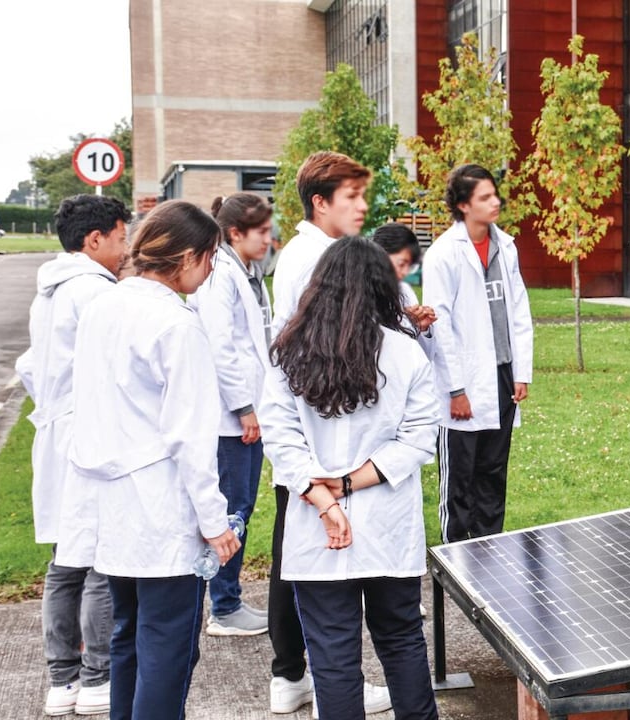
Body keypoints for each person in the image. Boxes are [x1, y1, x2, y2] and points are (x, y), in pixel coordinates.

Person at [60, 200, 240, 719]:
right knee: (168, 644)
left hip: (112, 502)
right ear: (187, 257)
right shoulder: (176, 325)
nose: (209, 274)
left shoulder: (103, 307)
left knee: (129, 635)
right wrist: (214, 522)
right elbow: (191, 437)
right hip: (161, 507)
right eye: (210, 259)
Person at [259, 237, 441, 720]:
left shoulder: (287, 355)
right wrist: (345, 487)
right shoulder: (404, 354)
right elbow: (419, 439)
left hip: (316, 527)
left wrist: (324, 497)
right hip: (386, 525)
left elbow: (280, 438)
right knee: (402, 640)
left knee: (332, 657)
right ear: (384, 287)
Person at [267, 150, 391, 716]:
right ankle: (306, 675)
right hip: (315, 444)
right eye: (352, 198)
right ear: (320, 203)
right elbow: (309, 356)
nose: (363, 207)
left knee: (309, 562)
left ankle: (303, 674)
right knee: (310, 565)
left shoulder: (322, 252)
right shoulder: (307, 260)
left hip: (323, 444)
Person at [15, 194, 131, 717]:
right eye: (123, 237)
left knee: (66, 561)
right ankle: (97, 677)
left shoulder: (51, 290)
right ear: (95, 239)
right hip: (89, 436)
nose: (127, 249)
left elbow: (29, 366)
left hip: (58, 432)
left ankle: (61, 679)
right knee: (99, 561)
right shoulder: (95, 294)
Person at [423, 164, 533, 543]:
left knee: (493, 471)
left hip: (501, 377)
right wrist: (455, 390)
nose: (495, 202)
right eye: (485, 197)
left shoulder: (507, 246)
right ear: (463, 205)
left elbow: (519, 310)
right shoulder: (443, 255)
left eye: (494, 194)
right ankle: (456, 558)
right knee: (460, 479)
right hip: (463, 382)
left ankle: (491, 549)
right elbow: (442, 326)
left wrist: (521, 372)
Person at [186, 193, 274, 637]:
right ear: (236, 232)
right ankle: (223, 606)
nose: (270, 238)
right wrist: (244, 407)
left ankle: (228, 598)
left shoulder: (247, 271)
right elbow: (221, 347)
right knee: (232, 508)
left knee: (242, 504)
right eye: (262, 231)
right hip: (232, 415)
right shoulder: (220, 274)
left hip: (248, 408)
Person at [372, 222, 436, 338]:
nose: (405, 272)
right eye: (401, 264)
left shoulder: (404, 291)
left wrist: (422, 327)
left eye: (410, 266)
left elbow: (418, 349)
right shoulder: (359, 293)